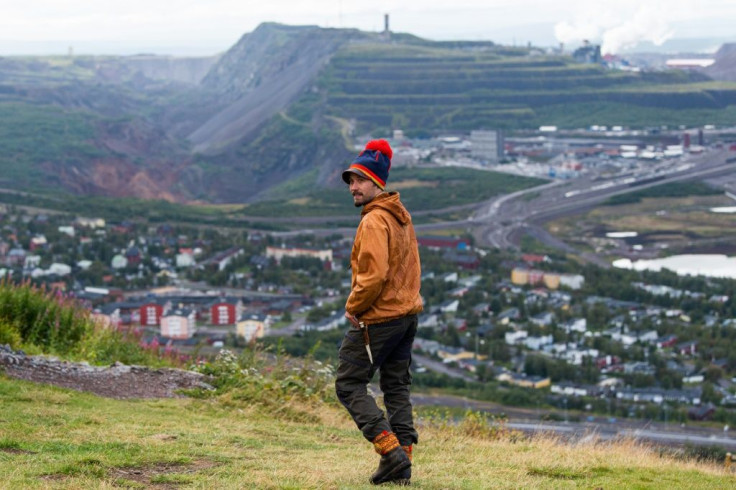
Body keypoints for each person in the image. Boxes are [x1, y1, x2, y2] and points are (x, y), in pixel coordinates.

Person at [335, 139, 423, 485]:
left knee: (348, 383)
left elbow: (373, 276)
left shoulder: (374, 221)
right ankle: (404, 465)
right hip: (407, 315)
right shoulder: (401, 216)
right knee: (396, 387)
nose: (353, 187)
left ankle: (391, 452)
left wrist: (353, 307)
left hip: (379, 318)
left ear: (376, 182)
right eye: (350, 181)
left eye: (358, 179)